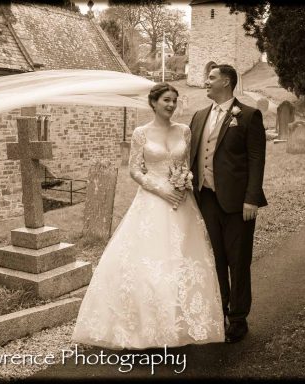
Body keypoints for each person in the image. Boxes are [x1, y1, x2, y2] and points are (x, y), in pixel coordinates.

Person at [72, 83, 225, 350]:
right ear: (153, 102)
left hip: (181, 203)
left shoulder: (184, 131)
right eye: (166, 100)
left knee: (183, 261)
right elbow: (135, 170)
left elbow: (185, 164)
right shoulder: (141, 133)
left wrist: (183, 181)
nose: (171, 105)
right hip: (152, 202)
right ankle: (144, 328)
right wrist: (162, 189)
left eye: (174, 100)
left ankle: (181, 325)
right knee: (148, 263)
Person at [189, 64, 267, 344]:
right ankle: (217, 312)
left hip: (237, 203)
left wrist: (251, 199)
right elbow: (190, 157)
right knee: (214, 260)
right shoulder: (198, 117)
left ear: (226, 82)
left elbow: (257, 159)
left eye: (211, 78)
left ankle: (238, 318)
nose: (205, 82)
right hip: (205, 199)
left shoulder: (248, 116)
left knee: (238, 261)